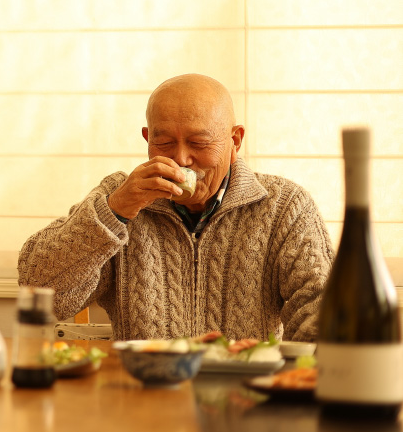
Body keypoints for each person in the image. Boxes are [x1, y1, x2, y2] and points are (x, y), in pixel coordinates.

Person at [18, 74, 334, 343]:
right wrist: (113, 213)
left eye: (199, 143)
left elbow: (324, 313)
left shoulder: (284, 207)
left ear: (235, 140)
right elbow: (40, 294)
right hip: (142, 391)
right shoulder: (118, 197)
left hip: (244, 389)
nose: (181, 159)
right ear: (147, 139)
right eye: (165, 142)